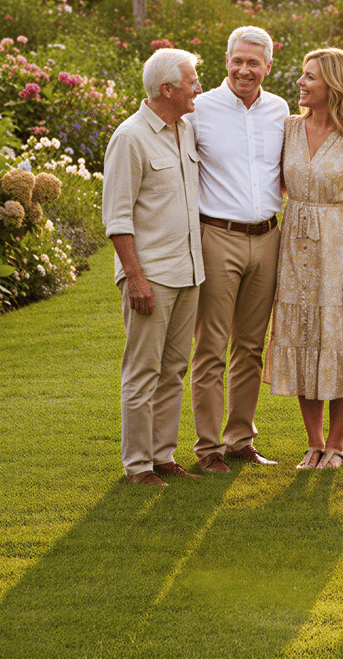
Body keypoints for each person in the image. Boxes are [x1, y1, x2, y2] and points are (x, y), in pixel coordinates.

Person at [264, 47, 343, 470]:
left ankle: (336, 444)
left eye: (310, 76)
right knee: (303, 337)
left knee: (340, 340)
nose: (300, 82)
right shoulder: (288, 128)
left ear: (334, 84)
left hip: (340, 248)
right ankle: (314, 443)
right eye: (303, 75)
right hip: (294, 250)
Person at [102, 48, 205, 487]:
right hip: (151, 277)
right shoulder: (130, 137)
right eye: (192, 81)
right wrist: (135, 278)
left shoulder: (186, 129)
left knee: (174, 370)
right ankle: (138, 466)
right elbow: (117, 217)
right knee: (143, 371)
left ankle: (163, 456)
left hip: (190, 272)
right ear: (167, 89)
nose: (199, 88)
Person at [188, 26, 289, 474]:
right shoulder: (200, 109)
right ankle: (208, 448)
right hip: (217, 237)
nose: (244, 70)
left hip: (268, 239)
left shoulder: (280, 110)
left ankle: (240, 440)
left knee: (250, 347)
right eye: (238, 61)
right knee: (211, 347)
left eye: (253, 63)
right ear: (226, 61)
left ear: (268, 66)